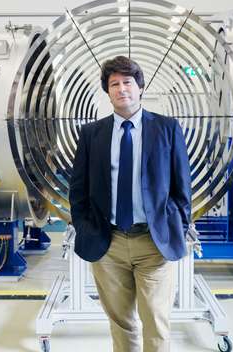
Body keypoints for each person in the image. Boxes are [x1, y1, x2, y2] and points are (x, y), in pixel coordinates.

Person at [69, 55, 192, 352]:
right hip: (107, 243)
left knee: (156, 322)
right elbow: (79, 189)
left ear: (140, 87)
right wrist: (86, 227)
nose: (122, 89)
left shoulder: (167, 128)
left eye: (127, 82)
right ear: (107, 91)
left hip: (153, 242)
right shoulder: (91, 134)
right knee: (121, 323)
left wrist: (175, 224)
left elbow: (181, 187)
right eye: (114, 84)